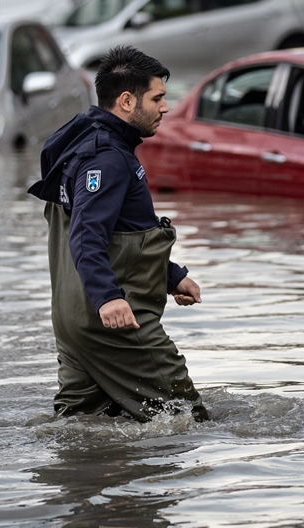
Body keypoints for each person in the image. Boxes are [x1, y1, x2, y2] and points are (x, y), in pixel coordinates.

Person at [28, 46, 208, 422]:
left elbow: (122, 232)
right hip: (113, 320)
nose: (166, 107)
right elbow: (86, 234)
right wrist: (109, 298)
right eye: (157, 98)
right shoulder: (106, 158)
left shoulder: (80, 141)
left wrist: (171, 275)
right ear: (127, 101)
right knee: (186, 420)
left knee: (79, 427)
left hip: (73, 317)